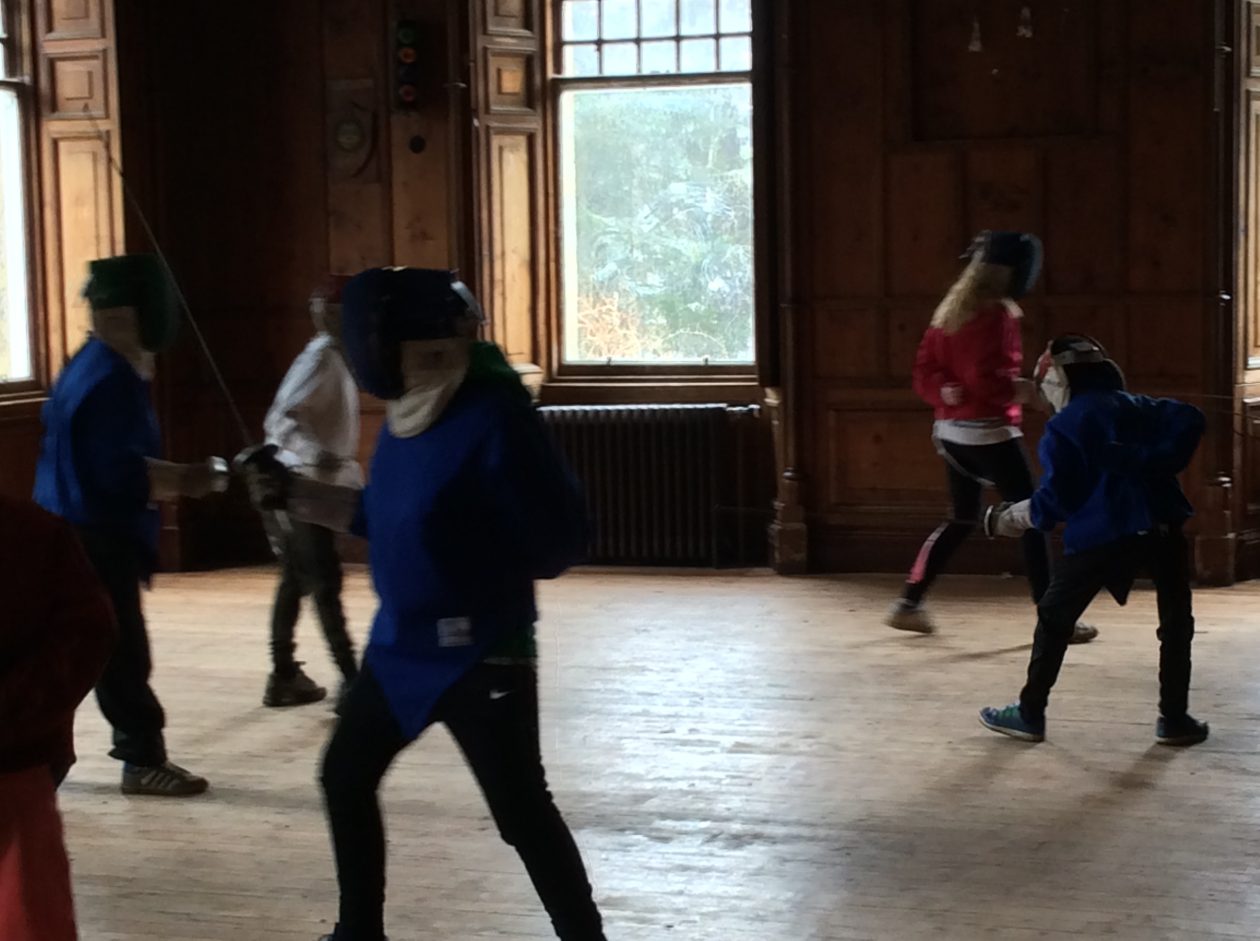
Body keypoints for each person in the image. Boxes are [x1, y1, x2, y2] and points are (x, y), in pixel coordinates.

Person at [240, 267, 605, 941]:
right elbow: (378, 515)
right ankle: (359, 933)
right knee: (345, 776)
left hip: (483, 651)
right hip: (401, 645)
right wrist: (292, 494)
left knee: (520, 811)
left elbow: (560, 542)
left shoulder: (495, 415)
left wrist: (478, 542)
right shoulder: (409, 412)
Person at [33, 254, 228, 796]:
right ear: (128, 314)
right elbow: (118, 473)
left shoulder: (91, 363)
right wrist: (192, 478)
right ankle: (140, 758)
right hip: (91, 535)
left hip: (69, 530)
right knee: (116, 650)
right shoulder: (108, 378)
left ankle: (38, 755)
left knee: (78, 648)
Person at [979, 335, 1208, 746]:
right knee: (1176, 624)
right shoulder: (1137, 405)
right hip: (1163, 527)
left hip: (1105, 533)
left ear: (1058, 379)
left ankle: (1029, 714)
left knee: (1054, 618)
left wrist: (1013, 518)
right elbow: (1191, 417)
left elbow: (1058, 500)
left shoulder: (1065, 424)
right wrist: (1149, 461)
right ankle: (1175, 719)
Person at [887, 230, 1098, 645]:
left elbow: (925, 371)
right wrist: (1027, 392)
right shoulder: (999, 314)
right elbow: (989, 380)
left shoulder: (950, 310)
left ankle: (909, 602)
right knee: (1034, 518)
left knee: (962, 517)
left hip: (950, 437)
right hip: (988, 435)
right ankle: (1053, 619)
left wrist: (943, 391)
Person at [0, 497, 116, 941]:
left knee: (26, 915)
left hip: (12, 767)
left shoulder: (29, 533)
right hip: (16, 756)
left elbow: (85, 634)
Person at [260, 276, 362, 707]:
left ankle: (284, 673)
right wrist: (313, 452)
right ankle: (351, 680)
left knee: (298, 578)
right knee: (323, 581)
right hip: (303, 485)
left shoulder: (336, 355)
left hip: (313, 485)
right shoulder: (320, 357)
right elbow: (280, 418)